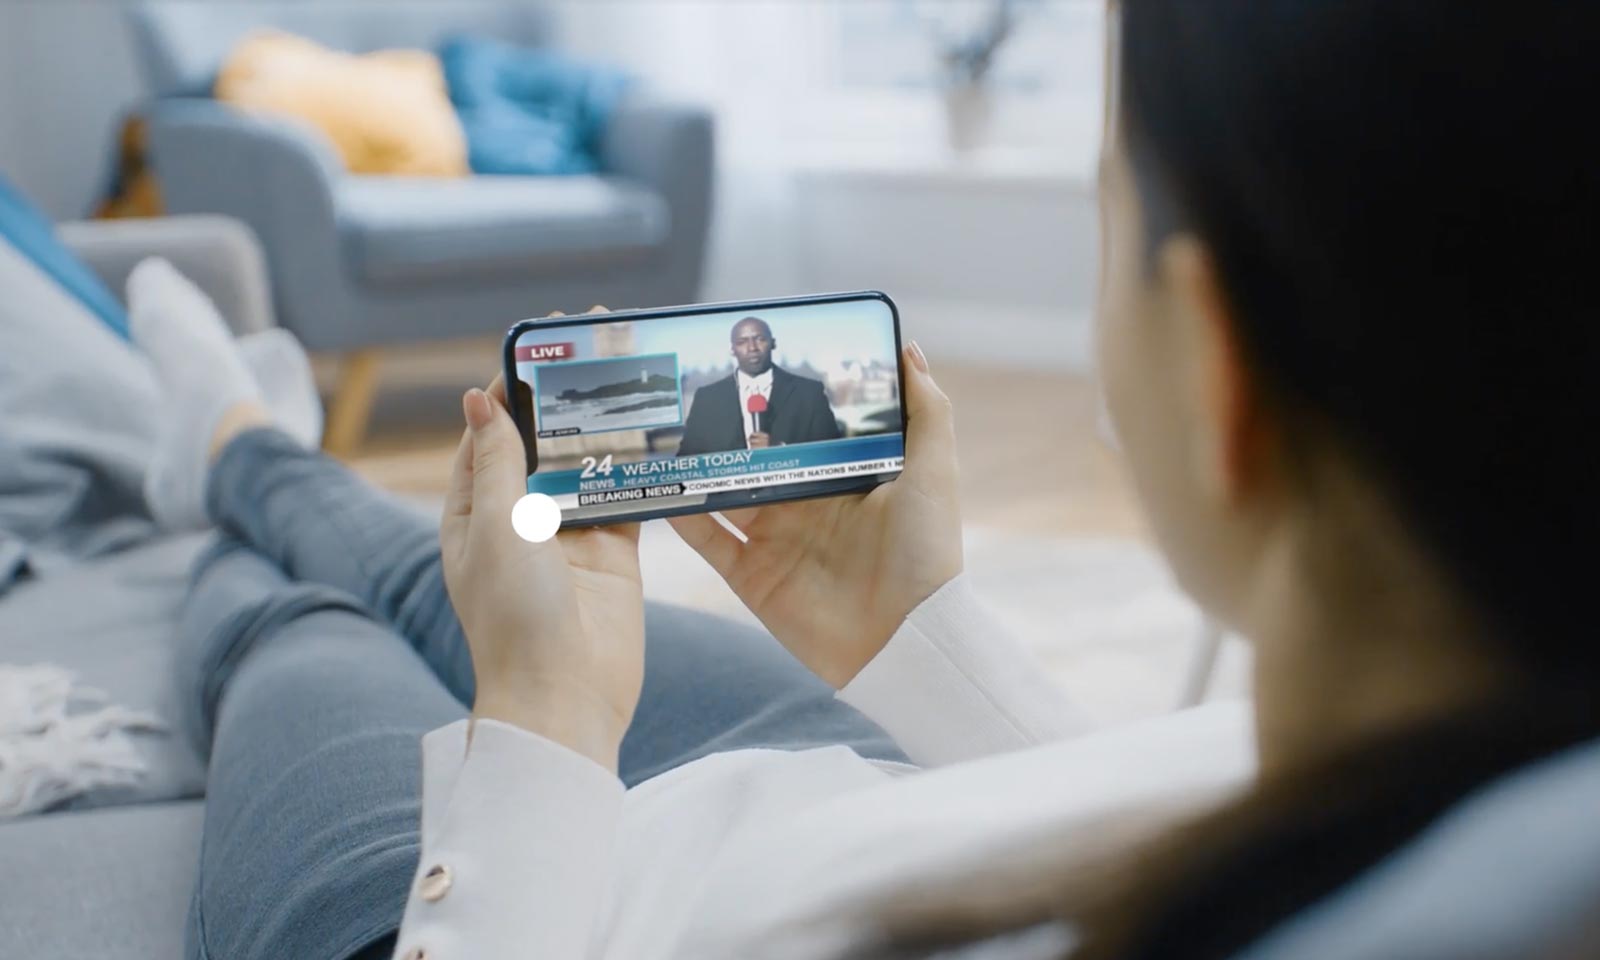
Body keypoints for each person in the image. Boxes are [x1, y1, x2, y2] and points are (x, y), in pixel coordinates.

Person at [131, 0, 1597, 958]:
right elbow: (1169, 825)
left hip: (495, 900)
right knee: (432, 571)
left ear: (1223, 374)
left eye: (1107, 212)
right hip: (876, 789)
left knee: (296, 626)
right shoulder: (1497, 771)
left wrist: (546, 725)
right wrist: (922, 636)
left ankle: (226, 465)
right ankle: (253, 445)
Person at [675, 315, 842, 455]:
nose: (752, 348)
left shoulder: (809, 393)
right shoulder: (707, 398)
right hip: (731, 494)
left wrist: (780, 450)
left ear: (773, 343)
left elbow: (833, 452)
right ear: (732, 349)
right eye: (742, 342)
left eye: (760, 339)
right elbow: (687, 459)